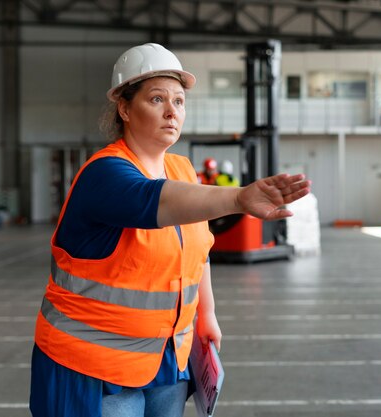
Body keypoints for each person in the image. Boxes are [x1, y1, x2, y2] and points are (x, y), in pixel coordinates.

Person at [29, 42, 310, 417]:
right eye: (156, 99)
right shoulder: (104, 174)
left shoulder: (181, 170)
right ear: (125, 109)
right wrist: (240, 198)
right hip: (96, 364)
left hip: (167, 358)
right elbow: (154, 201)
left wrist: (206, 314)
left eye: (178, 101)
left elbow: (199, 252)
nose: (171, 112)